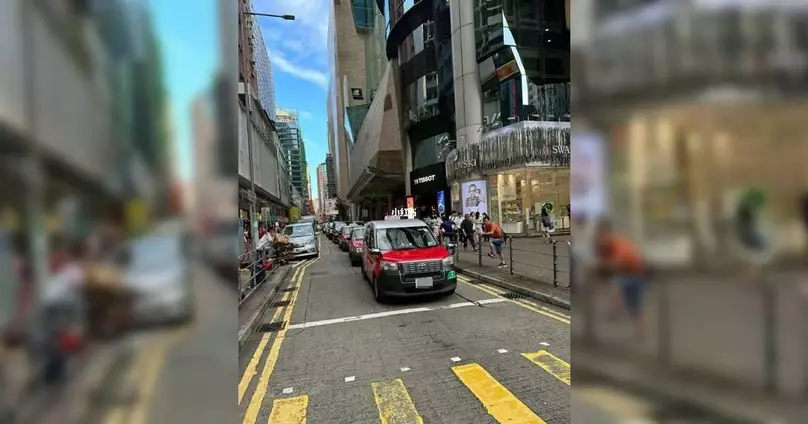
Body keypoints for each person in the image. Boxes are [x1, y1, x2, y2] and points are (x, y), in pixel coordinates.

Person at [593, 220, 647, 339]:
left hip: (634, 274)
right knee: (634, 305)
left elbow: (618, 261)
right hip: (628, 274)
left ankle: (615, 310)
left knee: (633, 304)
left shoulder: (617, 242)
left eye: (602, 234)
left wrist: (601, 265)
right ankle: (616, 310)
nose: (600, 237)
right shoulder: (605, 245)